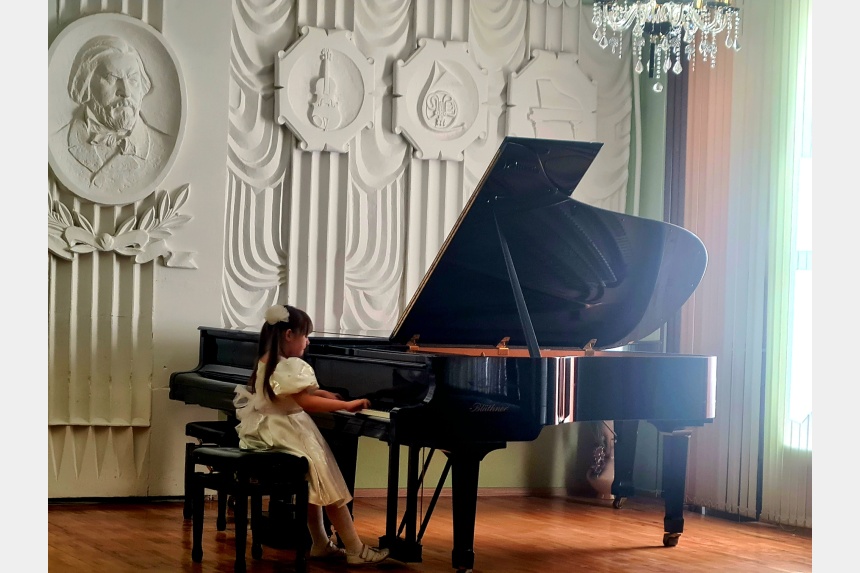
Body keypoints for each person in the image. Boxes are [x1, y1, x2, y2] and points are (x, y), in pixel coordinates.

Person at [233, 304, 390, 566]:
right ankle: (355, 549)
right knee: (328, 481)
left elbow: (292, 393)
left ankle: (320, 543)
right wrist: (345, 405)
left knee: (314, 482)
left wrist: (322, 393)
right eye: (305, 335)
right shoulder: (288, 365)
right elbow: (305, 402)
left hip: (270, 431)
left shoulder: (267, 360)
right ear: (289, 335)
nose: (308, 341)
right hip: (290, 433)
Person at [51, 35, 175, 194]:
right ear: (86, 85)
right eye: (112, 78)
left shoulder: (162, 146)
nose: (126, 92)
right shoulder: (57, 144)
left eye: (133, 79)